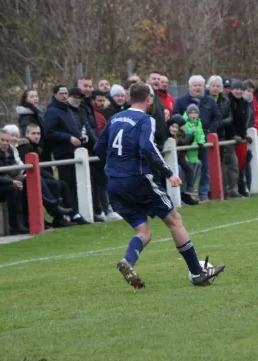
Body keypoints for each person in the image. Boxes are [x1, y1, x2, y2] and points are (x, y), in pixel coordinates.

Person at [93, 83, 225, 289]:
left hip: (115, 183)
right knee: (174, 220)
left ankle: (128, 261)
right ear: (148, 99)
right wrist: (169, 173)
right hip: (137, 179)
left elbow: (98, 147)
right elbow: (147, 146)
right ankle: (197, 272)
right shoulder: (146, 119)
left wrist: (116, 165)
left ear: (129, 98)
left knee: (143, 232)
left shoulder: (115, 119)